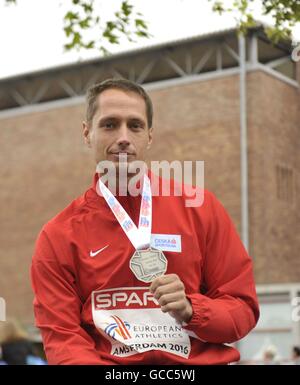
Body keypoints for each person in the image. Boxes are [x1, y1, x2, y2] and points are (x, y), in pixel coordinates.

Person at [31, 78, 259, 365]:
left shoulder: (200, 209)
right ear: (87, 133)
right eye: (110, 124)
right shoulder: (58, 235)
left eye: (135, 125)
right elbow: (63, 339)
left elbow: (243, 310)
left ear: (149, 136)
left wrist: (192, 308)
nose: (124, 136)